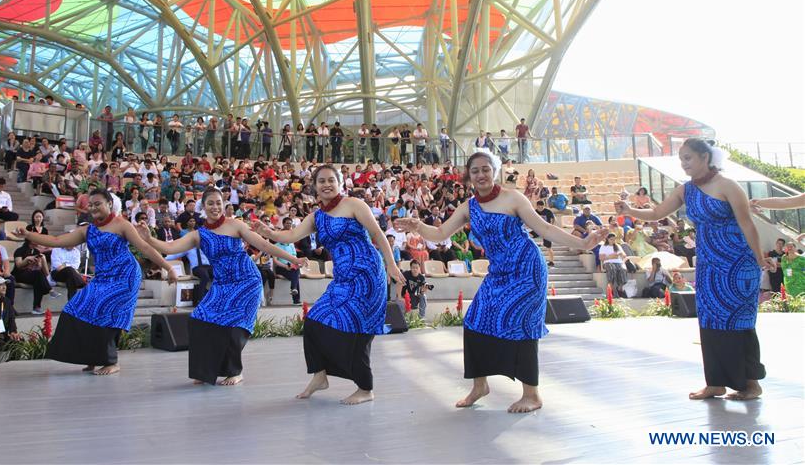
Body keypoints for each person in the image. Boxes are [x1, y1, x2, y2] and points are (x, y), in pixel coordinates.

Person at [395, 150, 605, 413]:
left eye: (485, 169)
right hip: (499, 273)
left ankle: (532, 394)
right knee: (474, 321)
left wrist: (583, 243)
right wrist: (417, 225)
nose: (481, 175)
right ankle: (479, 385)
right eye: (475, 171)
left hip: (527, 269)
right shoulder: (468, 207)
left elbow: (545, 229)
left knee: (523, 325)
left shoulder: (512, 198)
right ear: (468, 176)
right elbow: (439, 233)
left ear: (494, 171)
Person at [615, 138, 773, 401]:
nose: (684, 163)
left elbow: (747, 225)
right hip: (709, 264)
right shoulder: (685, 190)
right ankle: (716, 383)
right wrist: (630, 210)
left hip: (738, 263)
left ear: (705, 157)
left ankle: (750, 384)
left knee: (738, 320)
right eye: (681, 159)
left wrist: (759, 259)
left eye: (688, 158)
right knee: (710, 320)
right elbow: (656, 214)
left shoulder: (728, 186)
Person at [251, 165, 405, 405]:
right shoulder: (316, 217)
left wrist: (391, 266)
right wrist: (267, 231)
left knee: (358, 330)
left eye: (331, 180)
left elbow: (377, 234)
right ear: (314, 186)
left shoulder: (354, 205)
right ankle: (320, 375)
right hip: (343, 278)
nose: (326, 185)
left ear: (340, 182)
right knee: (313, 321)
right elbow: (290, 237)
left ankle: (366, 388)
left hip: (367, 274)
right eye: (321, 181)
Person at [143, 188, 304, 385]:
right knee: (199, 319)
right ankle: (205, 370)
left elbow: (265, 246)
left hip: (246, 280)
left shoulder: (235, 225)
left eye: (218, 203)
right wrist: (149, 238)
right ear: (203, 207)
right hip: (222, 284)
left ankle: (234, 372)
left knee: (235, 327)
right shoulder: (198, 235)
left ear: (224, 204)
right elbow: (170, 247)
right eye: (210, 203)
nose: (215, 207)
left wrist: (294, 259)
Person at [14, 188, 176, 375]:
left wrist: (168, 267)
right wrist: (28, 235)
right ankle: (91, 357)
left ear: (109, 204)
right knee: (75, 307)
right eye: (90, 205)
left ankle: (111, 361)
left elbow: (145, 247)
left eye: (97, 203)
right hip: (103, 278)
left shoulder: (122, 225)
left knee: (104, 310)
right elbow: (56, 240)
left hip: (125, 276)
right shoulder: (87, 230)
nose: (93, 208)